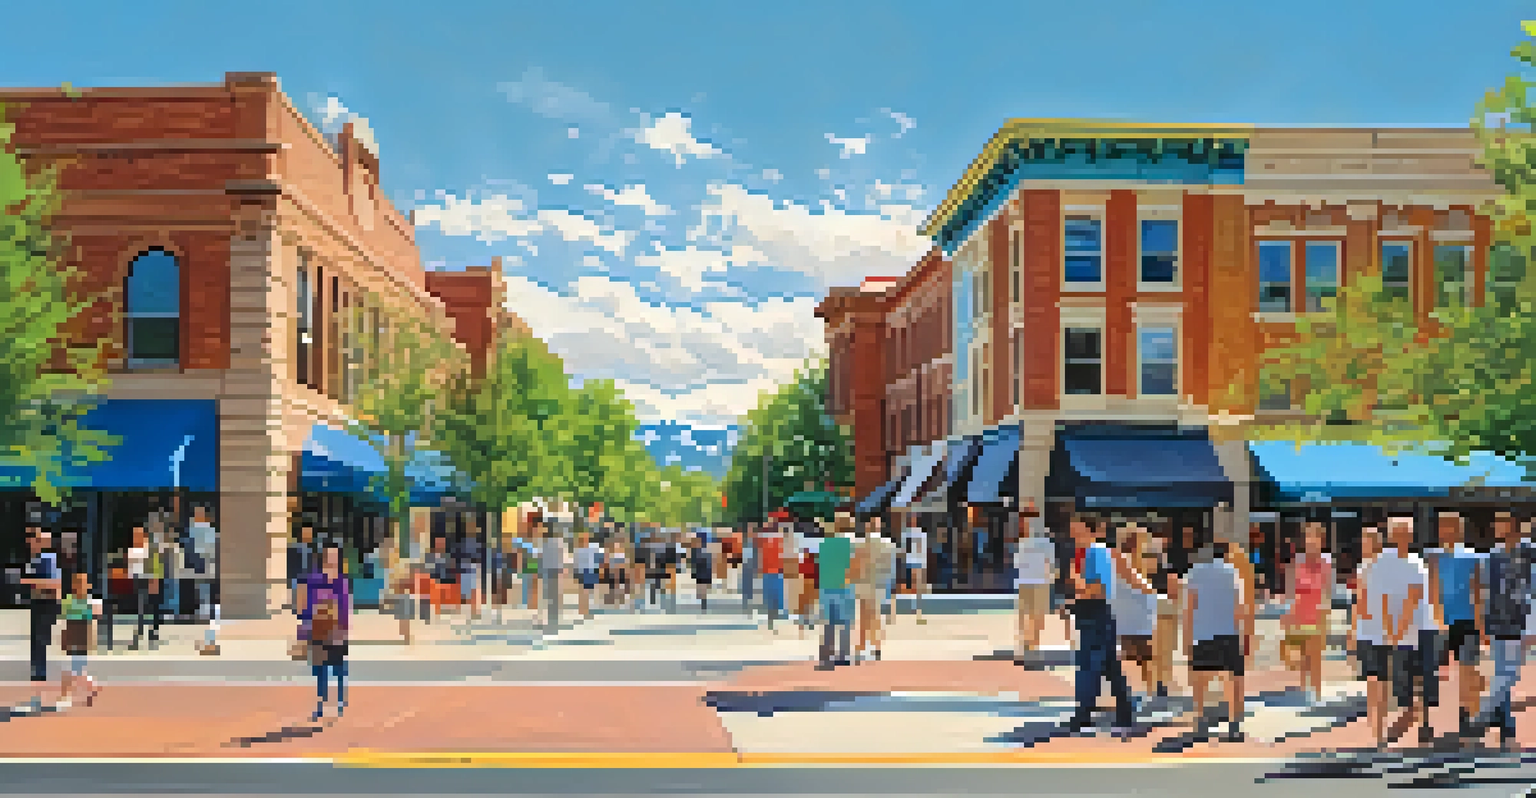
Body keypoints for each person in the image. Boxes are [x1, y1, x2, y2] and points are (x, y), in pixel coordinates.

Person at [1465, 511, 1534, 749]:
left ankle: (1482, 715)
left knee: (1509, 674)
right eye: (1496, 523)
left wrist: (1532, 624)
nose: (1496, 527)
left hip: (1520, 620)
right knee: (1502, 675)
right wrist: (1482, 622)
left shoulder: (1529, 553)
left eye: (1502, 523)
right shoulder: (1492, 556)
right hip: (1497, 621)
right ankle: (1506, 728)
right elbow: (1484, 590)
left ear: (1513, 525)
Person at [1066, 516, 1134, 735]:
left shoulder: (1096, 552)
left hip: (1096, 613)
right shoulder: (1090, 553)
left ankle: (1085, 713)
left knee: (1091, 665)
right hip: (1094, 612)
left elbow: (1098, 589)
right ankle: (1123, 710)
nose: (1071, 529)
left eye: (1076, 525)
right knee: (1107, 665)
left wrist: (1077, 586)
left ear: (1089, 528)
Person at [1426, 512, 1485, 739]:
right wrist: (1437, 620)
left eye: (1451, 526)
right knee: (1431, 675)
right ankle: (1427, 722)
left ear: (1460, 529)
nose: (1446, 530)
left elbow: (1477, 592)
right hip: (1440, 623)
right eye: (1443, 526)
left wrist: (1481, 625)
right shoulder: (1433, 556)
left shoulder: (1473, 557)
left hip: (1467, 621)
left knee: (1468, 671)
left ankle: (1469, 717)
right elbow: (1431, 590)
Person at [1184, 540, 1250, 742]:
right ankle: (1234, 725)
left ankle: (1201, 721)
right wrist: (1245, 636)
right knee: (1234, 681)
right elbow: (1240, 608)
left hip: (1203, 634)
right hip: (1228, 632)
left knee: (1200, 681)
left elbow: (1189, 608)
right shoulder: (1233, 573)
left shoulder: (1195, 572)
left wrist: (1187, 639)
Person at [1376, 514, 1433, 744]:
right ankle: (1411, 714)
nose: (1403, 536)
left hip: (1421, 627)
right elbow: (1382, 596)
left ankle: (1422, 723)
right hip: (1400, 629)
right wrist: (1390, 628)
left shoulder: (1415, 563)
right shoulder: (1384, 561)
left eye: (1406, 532)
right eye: (1398, 532)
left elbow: (1413, 597)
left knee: (1423, 677)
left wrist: (1397, 630)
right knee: (1402, 677)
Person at [1280, 522, 1334, 705]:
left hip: (1317, 614)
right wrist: (1288, 611)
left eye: (1315, 537)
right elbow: (1290, 589)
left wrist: (1325, 609)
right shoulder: (1297, 562)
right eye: (1308, 537)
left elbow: (1327, 590)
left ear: (1321, 540)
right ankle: (1304, 690)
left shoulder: (1326, 562)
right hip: (1299, 613)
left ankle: (1316, 693)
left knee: (1315, 656)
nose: (1311, 541)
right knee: (1302, 657)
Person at [298, 543, 351, 721]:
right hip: (318, 629)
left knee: (338, 667)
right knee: (320, 669)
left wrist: (344, 629)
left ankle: (340, 700)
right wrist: (303, 629)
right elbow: (306, 605)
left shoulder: (341, 582)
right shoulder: (314, 580)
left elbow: (345, 607)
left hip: (336, 630)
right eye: (329, 556)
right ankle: (321, 703)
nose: (331, 560)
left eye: (334, 556)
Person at [1111, 524, 1159, 703]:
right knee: (1138, 656)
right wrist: (1153, 592)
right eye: (1143, 541)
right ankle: (1141, 693)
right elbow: (1138, 583)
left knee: (1141, 656)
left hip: (1135, 615)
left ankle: (1144, 692)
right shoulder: (1121, 558)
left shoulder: (1132, 559)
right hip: (1132, 617)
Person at [1352, 525, 1391, 746]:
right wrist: (1353, 628)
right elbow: (1358, 600)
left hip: (1382, 631)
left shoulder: (1384, 567)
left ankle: (1380, 727)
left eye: (1369, 540)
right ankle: (1375, 725)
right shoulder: (1362, 567)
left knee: (1382, 680)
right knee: (1371, 678)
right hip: (1366, 630)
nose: (1365, 544)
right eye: (1364, 540)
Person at [20, 527, 61, 685]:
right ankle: (37, 668)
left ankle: (40, 671)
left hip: (46, 603)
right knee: (37, 638)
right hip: (38, 602)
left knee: (40, 637)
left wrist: (27, 581)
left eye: (34, 539)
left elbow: (54, 583)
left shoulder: (47, 558)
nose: (30, 542)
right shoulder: (35, 558)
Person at [1015, 508, 1056, 660]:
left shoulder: (1023, 543)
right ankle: (1034, 644)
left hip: (1024, 581)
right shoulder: (1047, 543)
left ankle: (1024, 644)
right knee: (1037, 615)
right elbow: (1051, 563)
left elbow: (1017, 563)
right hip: (1041, 581)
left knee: (1025, 614)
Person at [58, 571, 101, 707]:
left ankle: (66, 696)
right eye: (77, 583)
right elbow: (65, 617)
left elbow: (94, 618)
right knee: (76, 670)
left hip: (82, 637)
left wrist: (92, 640)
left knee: (71, 669)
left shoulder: (91, 601)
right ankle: (90, 687)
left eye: (82, 583)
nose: (79, 587)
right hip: (72, 635)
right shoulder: (69, 600)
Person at [817, 516, 855, 669]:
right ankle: (844, 655)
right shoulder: (850, 544)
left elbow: (820, 565)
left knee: (829, 622)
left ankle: (827, 653)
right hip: (844, 586)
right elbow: (854, 564)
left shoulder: (824, 544)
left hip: (826, 586)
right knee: (845, 623)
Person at [187, 505, 220, 655]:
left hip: (207, 574)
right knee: (207, 607)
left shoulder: (203, 533)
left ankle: (210, 642)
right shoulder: (205, 533)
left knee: (207, 608)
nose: (195, 517)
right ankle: (209, 641)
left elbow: (200, 553)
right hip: (206, 574)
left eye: (198, 514)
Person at [902, 517, 929, 623]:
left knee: (918, 585)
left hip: (919, 561)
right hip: (912, 561)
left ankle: (917, 607)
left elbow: (922, 549)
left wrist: (924, 564)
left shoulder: (921, 534)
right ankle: (915, 607)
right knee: (914, 585)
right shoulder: (907, 534)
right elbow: (905, 549)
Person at [288, 525, 315, 611]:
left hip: (307, 576)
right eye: (306, 533)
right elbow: (290, 563)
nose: (309, 536)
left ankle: (304, 610)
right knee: (297, 596)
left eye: (310, 533)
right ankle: (298, 610)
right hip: (296, 576)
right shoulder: (294, 548)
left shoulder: (311, 550)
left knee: (306, 597)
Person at [575, 530, 601, 619]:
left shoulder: (592, 547)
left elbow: (597, 559)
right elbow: (577, 562)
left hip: (590, 570)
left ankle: (585, 609)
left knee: (588, 591)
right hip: (583, 571)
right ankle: (583, 609)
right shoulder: (579, 550)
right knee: (583, 591)